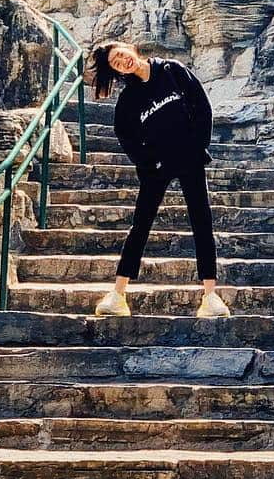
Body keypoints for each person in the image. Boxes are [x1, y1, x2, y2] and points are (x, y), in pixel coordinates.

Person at [87, 39, 230, 319]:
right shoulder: (129, 100)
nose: (122, 61)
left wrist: (198, 146)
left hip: (189, 156)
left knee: (202, 221)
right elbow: (125, 137)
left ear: (130, 49)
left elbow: (202, 106)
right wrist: (149, 162)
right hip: (157, 167)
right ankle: (117, 296)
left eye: (121, 55)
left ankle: (210, 297)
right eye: (116, 64)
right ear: (118, 72)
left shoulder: (172, 71)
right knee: (140, 225)